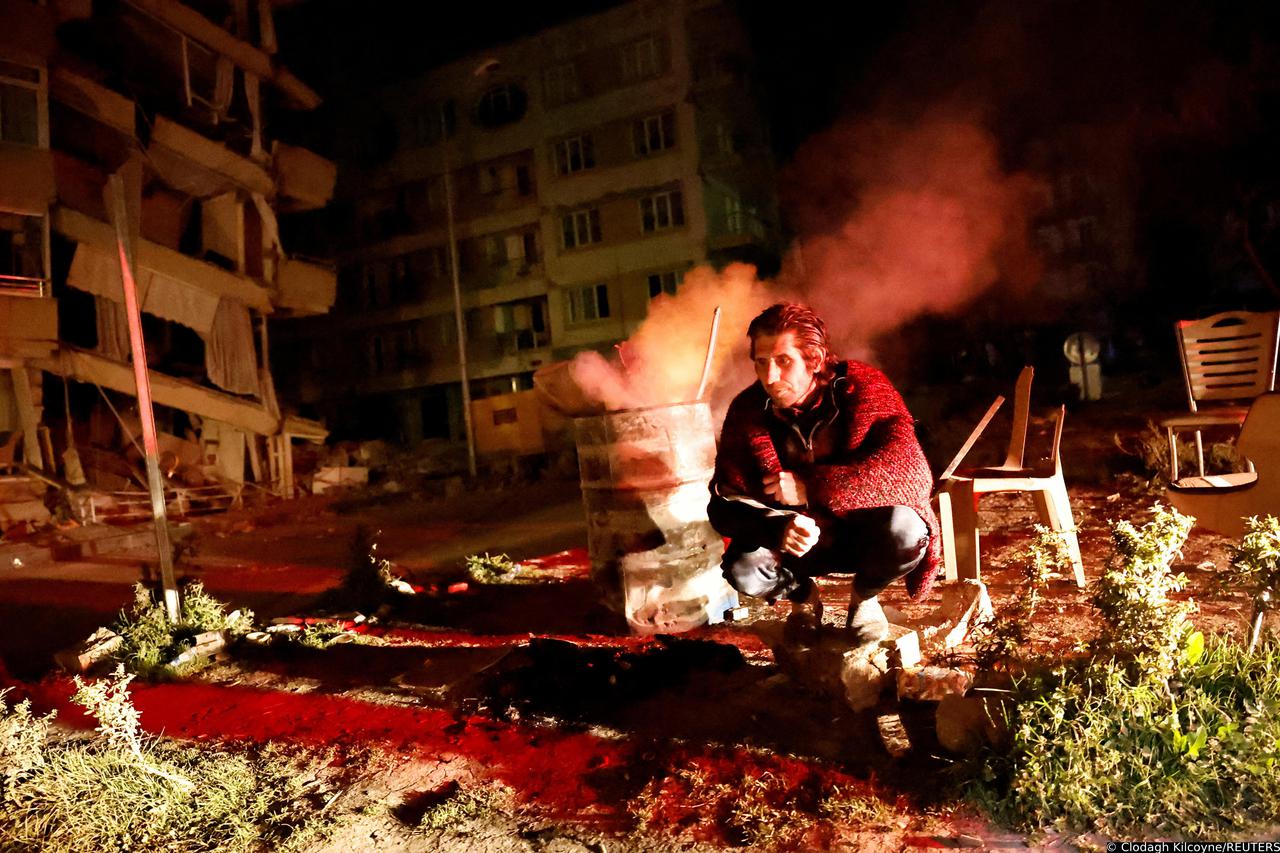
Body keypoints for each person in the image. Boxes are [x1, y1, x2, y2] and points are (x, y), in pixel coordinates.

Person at [708, 302, 940, 642]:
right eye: (761, 362)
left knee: (906, 530)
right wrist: (775, 526)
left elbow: (911, 473)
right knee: (743, 570)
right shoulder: (747, 412)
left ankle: (864, 599)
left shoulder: (863, 389)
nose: (769, 377)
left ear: (814, 359)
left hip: (863, 534)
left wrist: (812, 487)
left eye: (783, 361)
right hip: (798, 549)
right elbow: (722, 504)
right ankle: (804, 600)